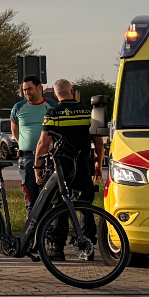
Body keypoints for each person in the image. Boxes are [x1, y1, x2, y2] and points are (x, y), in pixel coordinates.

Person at [35, 78, 103, 206]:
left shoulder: (53, 114)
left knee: (59, 205)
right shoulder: (88, 113)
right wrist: (98, 165)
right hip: (83, 165)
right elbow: (99, 143)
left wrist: (37, 167)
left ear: (55, 95)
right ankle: (85, 226)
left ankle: (61, 226)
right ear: (72, 91)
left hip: (62, 167)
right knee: (86, 204)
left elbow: (43, 144)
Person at [8, 75, 48, 206]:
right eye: (24, 90)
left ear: (39, 88)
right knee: (31, 199)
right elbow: (14, 128)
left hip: (48, 158)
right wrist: (21, 143)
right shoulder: (18, 107)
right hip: (27, 158)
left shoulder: (51, 106)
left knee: (48, 198)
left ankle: (49, 226)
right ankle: (32, 225)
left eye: (29, 89)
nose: (26, 92)